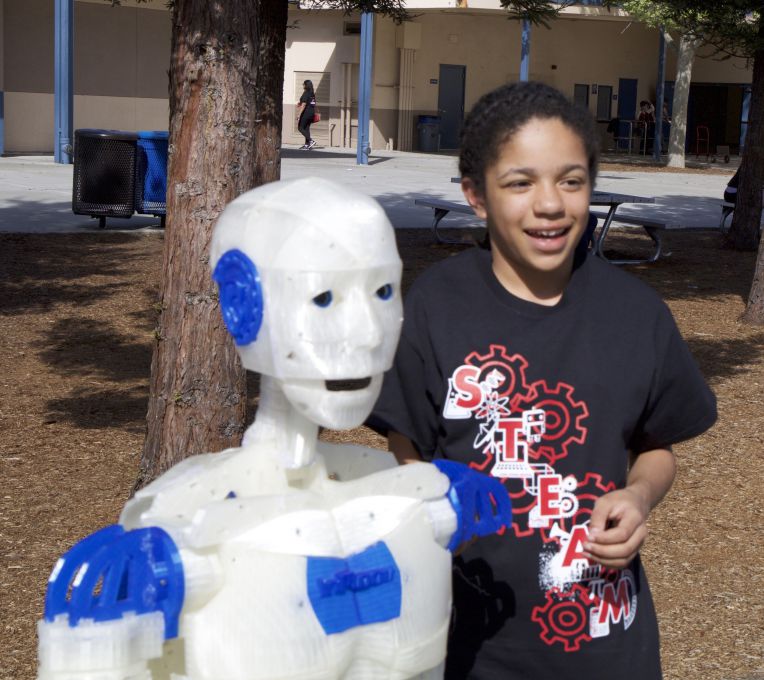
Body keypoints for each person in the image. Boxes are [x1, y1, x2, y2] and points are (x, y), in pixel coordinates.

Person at [36, 177, 514, 680]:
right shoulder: (179, 540)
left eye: (383, 291)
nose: (369, 332)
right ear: (244, 305)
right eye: (324, 297)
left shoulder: (426, 499)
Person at [369, 81, 717, 679]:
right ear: (476, 196)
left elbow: (655, 447)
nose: (551, 204)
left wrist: (637, 497)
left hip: (608, 647)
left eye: (571, 180)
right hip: (469, 645)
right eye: (520, 182)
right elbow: (409, 446)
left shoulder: (636, 314)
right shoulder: (435, 306)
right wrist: (433, 508)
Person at [296, 79, 317, 150]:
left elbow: (304, 104)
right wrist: (300, 103)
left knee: (300, 127)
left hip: (306, 113)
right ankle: (307, 145)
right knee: (306, 129)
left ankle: (311, 141)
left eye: (303, 84)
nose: (303, 85)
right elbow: (311, 103)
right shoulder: (312, 93)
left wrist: (299, 114)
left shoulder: (306, 93)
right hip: (311, 113)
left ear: (306, 85)